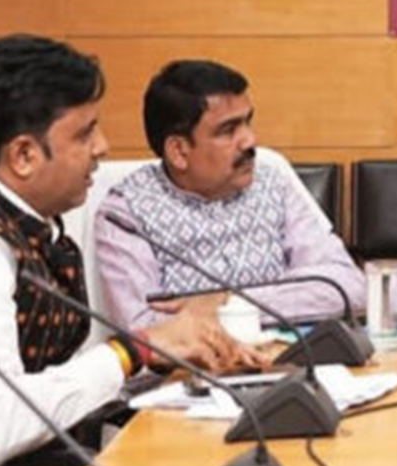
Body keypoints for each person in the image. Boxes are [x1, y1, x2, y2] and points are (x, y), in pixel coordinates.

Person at [0, 35, 254, 466]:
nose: (103, 148)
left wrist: (161, 356)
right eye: (86, 132)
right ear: (24, 154)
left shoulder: (24, 223)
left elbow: (53, 387)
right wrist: (131, 349)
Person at [94, 60, 366, 332]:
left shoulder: (272, 183)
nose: (250, 140)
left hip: (291, 361)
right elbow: (144, 331)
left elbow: (349, 288)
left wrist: (231, 304)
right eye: (228, 130)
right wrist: (286, 300)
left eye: (248, 122)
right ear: (178, 151)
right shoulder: (125, 214)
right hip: (190, 372)